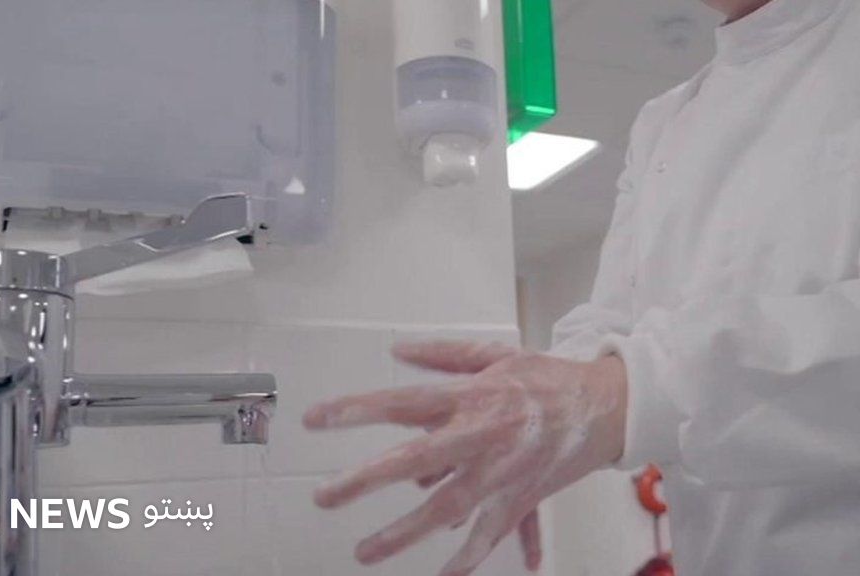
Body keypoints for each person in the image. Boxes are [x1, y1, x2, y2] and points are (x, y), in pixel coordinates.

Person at [302, 0, 860, 574]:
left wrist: (620, 398)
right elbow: (613, 321)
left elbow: (632, 383)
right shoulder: (665, 124)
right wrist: (526, 416)